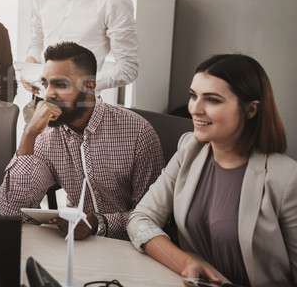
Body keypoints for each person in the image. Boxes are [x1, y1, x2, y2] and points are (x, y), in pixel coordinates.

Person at [127, 54, 296, 287]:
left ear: (251, 109)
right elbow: (140, 219)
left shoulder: (287, 178)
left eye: (213, 100)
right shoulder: (189, 149)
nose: (195, 109)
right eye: (193, 96)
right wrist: (185, 263)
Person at [0, 42, 163, 240]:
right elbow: (12, 212)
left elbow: (152, 218)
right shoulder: (46, 138)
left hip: (135, 247)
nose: (48, 94)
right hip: (80, 247)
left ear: (89, 87)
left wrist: (97, 223)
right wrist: (29, 134)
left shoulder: (138, 133)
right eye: (45, 84)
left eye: (60, 84)